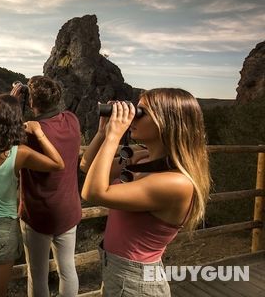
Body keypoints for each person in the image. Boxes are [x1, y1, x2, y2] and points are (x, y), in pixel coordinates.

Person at [80, 88, 211, 296]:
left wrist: (115, 136)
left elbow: (92, 193)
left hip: (136, 283)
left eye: (141, 112)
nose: (133, 117)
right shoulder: (143, 159)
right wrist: (103, 133)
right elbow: (87, 166)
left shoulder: (176, 183)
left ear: (166, 122)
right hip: (117, 273)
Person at [0, 84, 66, 297]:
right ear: (15, 121)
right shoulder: (20, 153)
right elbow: (58, 164)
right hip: (1, 227)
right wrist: (39, 133)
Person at [12, 76, 82, 297]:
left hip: (38, 214)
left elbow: (4, 135)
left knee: (38, 275)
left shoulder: (29, 133)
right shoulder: (72, 120)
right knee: (67, 269)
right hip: (68, 211)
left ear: (31, 102)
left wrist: (12, 102)